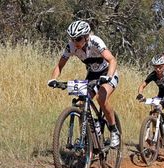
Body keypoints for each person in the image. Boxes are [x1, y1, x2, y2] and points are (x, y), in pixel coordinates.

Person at [47, 20, 120, 148]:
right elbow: (59, 65)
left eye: (78, 39)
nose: (75, 42)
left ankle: (114, 131)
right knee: (81, 104)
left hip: (108, 72)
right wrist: (53, 79)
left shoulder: (96, 41)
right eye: (72, 39)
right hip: (92, 75)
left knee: (101, 98)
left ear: (86, 37)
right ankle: (86, 139)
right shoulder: (71, 47)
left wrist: (107, 77)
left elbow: (112, 59)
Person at [136, 54, 164, 143]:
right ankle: (155, 134)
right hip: (162, 94)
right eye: (155, 67)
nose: (157, 69)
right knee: (155, 111)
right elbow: (142, 85)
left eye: (160, 67)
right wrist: (140, 94)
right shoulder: (153, 75)